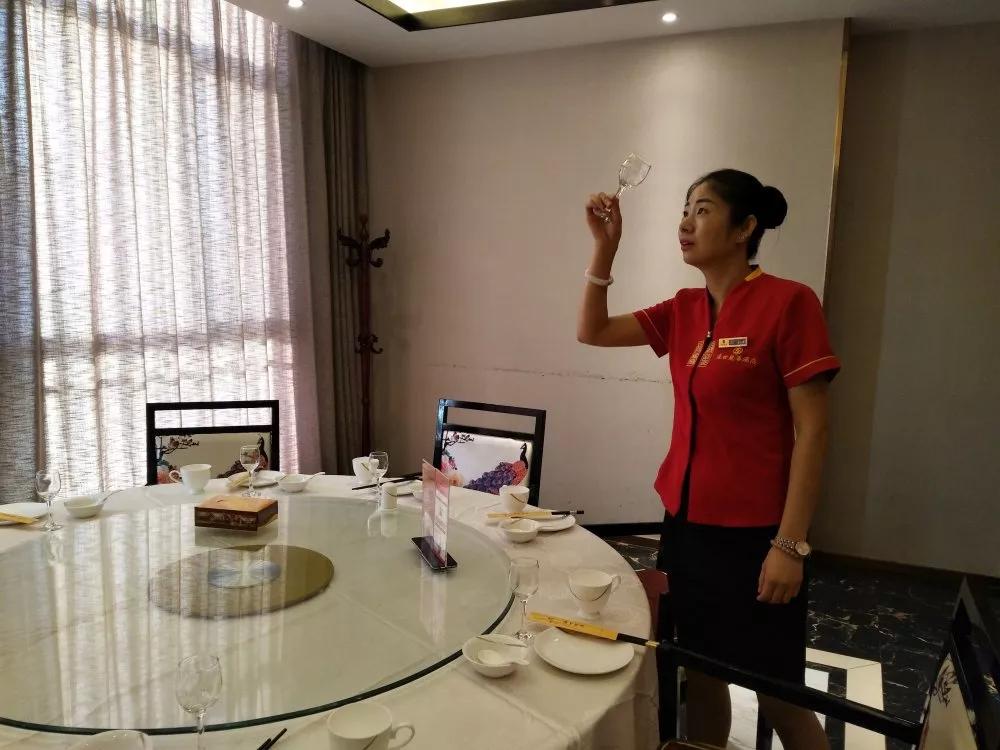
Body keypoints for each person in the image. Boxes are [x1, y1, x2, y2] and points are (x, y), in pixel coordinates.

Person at [577, 169, 839, 750]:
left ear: (745, 228)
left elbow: (814, 431)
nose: (686, 223)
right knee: (699, 674)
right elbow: (591, 330)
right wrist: (605, 249)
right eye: (685, 210)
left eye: (703, 210)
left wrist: (790, 545)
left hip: (757, 538)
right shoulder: (685, 308)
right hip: (687, 529)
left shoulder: (789, 303)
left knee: (779, 694)